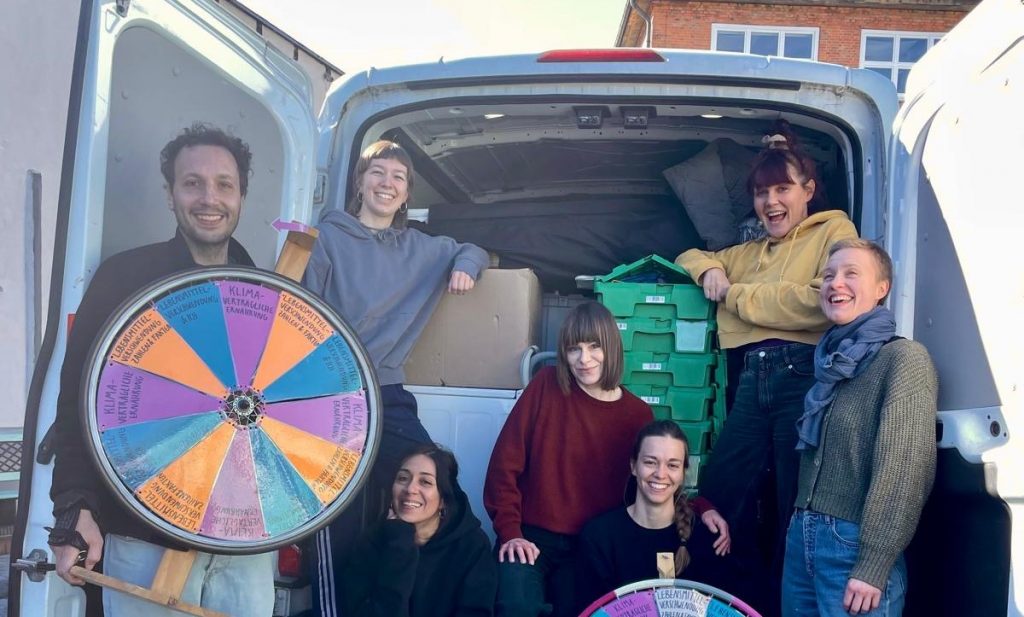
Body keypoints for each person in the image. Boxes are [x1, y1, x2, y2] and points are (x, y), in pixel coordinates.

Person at [46, 123, 274, 615]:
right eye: (192, 183)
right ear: (170, 195)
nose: (208, 197)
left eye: (224, 184)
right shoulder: (124, 278)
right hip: (146, 531)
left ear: (242, 197)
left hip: (243, 537)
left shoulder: (263, 291)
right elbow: (77, 404)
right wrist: (74, 506)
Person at [675, 120, 858, 614]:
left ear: (808, 191)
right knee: (720, 493)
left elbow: (820, 299)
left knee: (790, 505)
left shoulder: (834, 231)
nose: (770, 202)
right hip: (749, 377)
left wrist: (736, 296)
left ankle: (784, 606)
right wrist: (711, 268)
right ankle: (713, 601)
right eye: (761, 192)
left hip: (801, 376)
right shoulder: (749, 253)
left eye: (782, 188)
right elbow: (688, 254)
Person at [302, 139, 490, 616]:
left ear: (406, 194)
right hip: (330, 393)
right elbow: (300, 314)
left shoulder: (419, 247)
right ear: (360, 183)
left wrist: (466, 268)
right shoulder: (327, 238)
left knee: (435, 481)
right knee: (333, 516)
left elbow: (473, 248)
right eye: (378, 173)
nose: (387, 184)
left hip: (385, 390)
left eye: (398, 178)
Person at [782, 239, 937, 616]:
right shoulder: (829, 365)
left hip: (853, 546)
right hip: (801, 537)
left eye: (852, 274)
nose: (835, 283)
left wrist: (874, 562)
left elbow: (905, 467)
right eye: (829, 275)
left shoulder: (903, 359)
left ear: (882, 289)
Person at [483, 301, 654, 617]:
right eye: (574, 349)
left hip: (588, 548)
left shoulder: (638, 415)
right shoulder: (545, 385)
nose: (584, 359)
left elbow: (657, 484)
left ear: (612, 348)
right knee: (517, 608)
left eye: (593, 347)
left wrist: (703, 509)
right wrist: (510, 532)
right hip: (528, 535)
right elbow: (503, 467)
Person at [574, 420, 737, 614]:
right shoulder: (599, 537)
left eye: (672, 465)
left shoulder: (706, 537)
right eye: (650, 462)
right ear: (634, 466)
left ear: (683, 473)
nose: (661, 474)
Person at [339, 444, 498, 617]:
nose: (410, 489)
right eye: (402, 478)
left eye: (425, 482)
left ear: (443, 499)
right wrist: (400, 545)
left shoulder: (472, 545)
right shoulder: (371, 542)